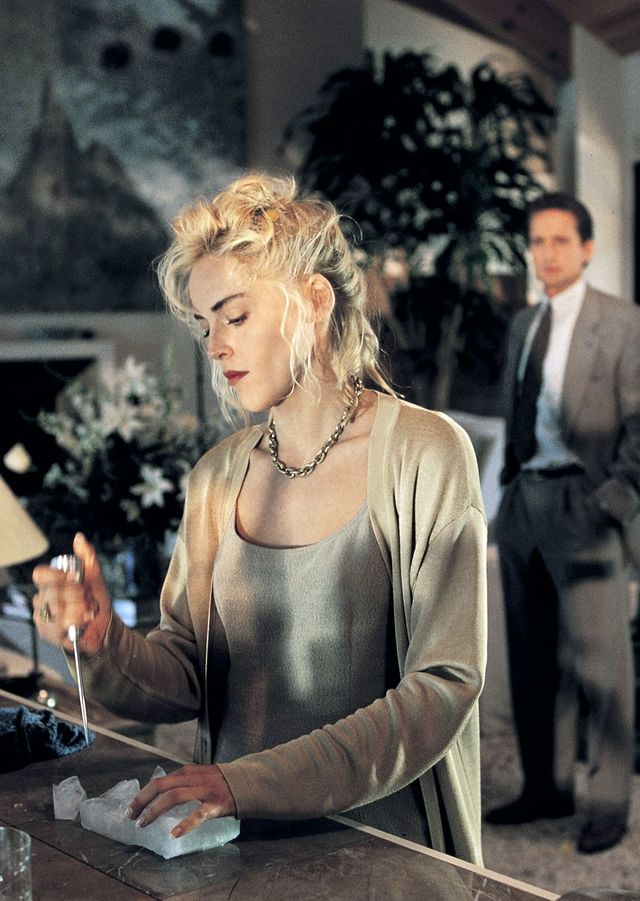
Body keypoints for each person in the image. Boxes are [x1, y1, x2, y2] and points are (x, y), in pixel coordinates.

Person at [32, 174, 487, 863]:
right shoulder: (216, 477)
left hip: (387, 852)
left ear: (315, 301)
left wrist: (245, 782)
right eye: (204, 324)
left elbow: (442, 687)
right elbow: (186, 673)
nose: (214, 345)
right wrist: (104, 642)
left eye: (235, 317)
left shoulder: (425, 452)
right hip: (229, 843)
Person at [487, 192, 640, 854]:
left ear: (586, 248)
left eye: (559, 241)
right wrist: (506, 499)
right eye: (537, 242)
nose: (546, 254)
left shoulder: (623, 322)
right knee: (532, 658)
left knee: (601, 664)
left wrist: (614, 501)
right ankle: (545, 787)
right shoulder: (524, 324)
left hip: (585, 501)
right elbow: (515, 414)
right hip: (526, 501)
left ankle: (608, 803)